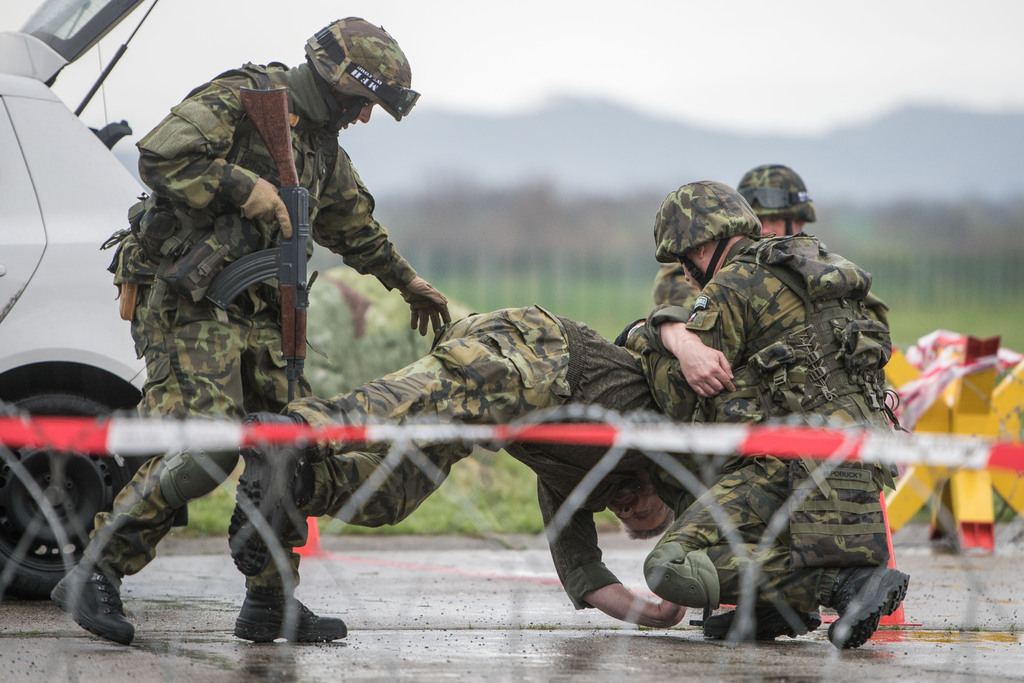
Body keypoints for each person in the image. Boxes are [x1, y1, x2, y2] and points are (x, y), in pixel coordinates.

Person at [51, 18, 451, 646]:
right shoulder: (243, 99)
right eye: (362, 104)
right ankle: (96, 569)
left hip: (262, 314)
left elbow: (351, 224)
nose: (364, 119)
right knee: (206, 444)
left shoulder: (320, 146)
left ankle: (271, 600)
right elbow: (158, 153)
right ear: (336, 85)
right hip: (187, 302)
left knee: (283, 445)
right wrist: (246, 189)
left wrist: (407, 282)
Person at [228, 305, 731, 629]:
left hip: (498, 414)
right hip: (539, 352)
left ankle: (295, 482)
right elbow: (650, 325)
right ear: (664, 489)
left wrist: (658, 614)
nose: (626, 508)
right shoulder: (667, 439)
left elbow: (584, 571)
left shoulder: (570, 489)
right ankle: (297, 429)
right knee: (413, 398)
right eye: (642, 509)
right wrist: (688, 344)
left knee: (394, 495)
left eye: (625, 518)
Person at [626, 180, 907, 648]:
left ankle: (842, 586)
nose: (686, 271)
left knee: (668, 566)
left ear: (703, 243)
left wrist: (650, 334)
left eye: (683, 258)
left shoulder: (733, 284)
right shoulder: (816, 264)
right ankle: (776, 607)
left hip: (792, 466)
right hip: (866, 461)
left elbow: (687, 391)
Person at [651, 164, 890, 327]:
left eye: (773, 219)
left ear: (799, 222)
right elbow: (698, 327)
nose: (763, 229)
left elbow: (874, 320)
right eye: (757, 219)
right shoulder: (691, 270)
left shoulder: (822, 267)